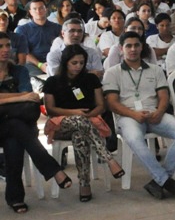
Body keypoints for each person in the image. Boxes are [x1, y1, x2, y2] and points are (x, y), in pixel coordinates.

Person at [103, 32, 175, 200]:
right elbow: (112, 103)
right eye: (128, 46)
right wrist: (133, 114)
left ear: (142, 47)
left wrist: (159, 111)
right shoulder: (112, 72)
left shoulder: (155, 69)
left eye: (136, 45)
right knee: (136, 138)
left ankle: (158, 181)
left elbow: (164, 96)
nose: (133, 49)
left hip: (154, 113)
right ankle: (167, 182)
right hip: (128, 116)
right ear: (121, 49)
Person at [0, 34, 72, 212]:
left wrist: (9, 101)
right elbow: (24, 96)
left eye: (8, 45)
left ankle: (15, 198)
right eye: (0, 46)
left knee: (15, 133)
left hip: (15, 124)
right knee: (18, 126)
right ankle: (53, 169)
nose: (6, 50)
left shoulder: (20, 71)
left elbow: (30, 98)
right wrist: (20, 97)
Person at [42, 45, 124, 202]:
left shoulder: (90, 79)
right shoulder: (53, 81)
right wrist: (75, 113)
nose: (78, 66)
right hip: (61, 123)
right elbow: (50, 109)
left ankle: (84, 183)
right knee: (79, 122)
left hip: (89, 121)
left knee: (80, 135)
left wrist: (89, 115)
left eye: (81, 62)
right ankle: (109, 159)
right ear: (65, 62)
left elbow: (101, 105)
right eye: (74, 63)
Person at [15, 0, 62, 77]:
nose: (38, 11)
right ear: (30, 12)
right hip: (33, 64)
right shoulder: (23, 29)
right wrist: (40, 65)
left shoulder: (57, 27)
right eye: (34, 9)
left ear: (46, 9)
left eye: (41, 8)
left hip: (55, 62)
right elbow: (24, 52)